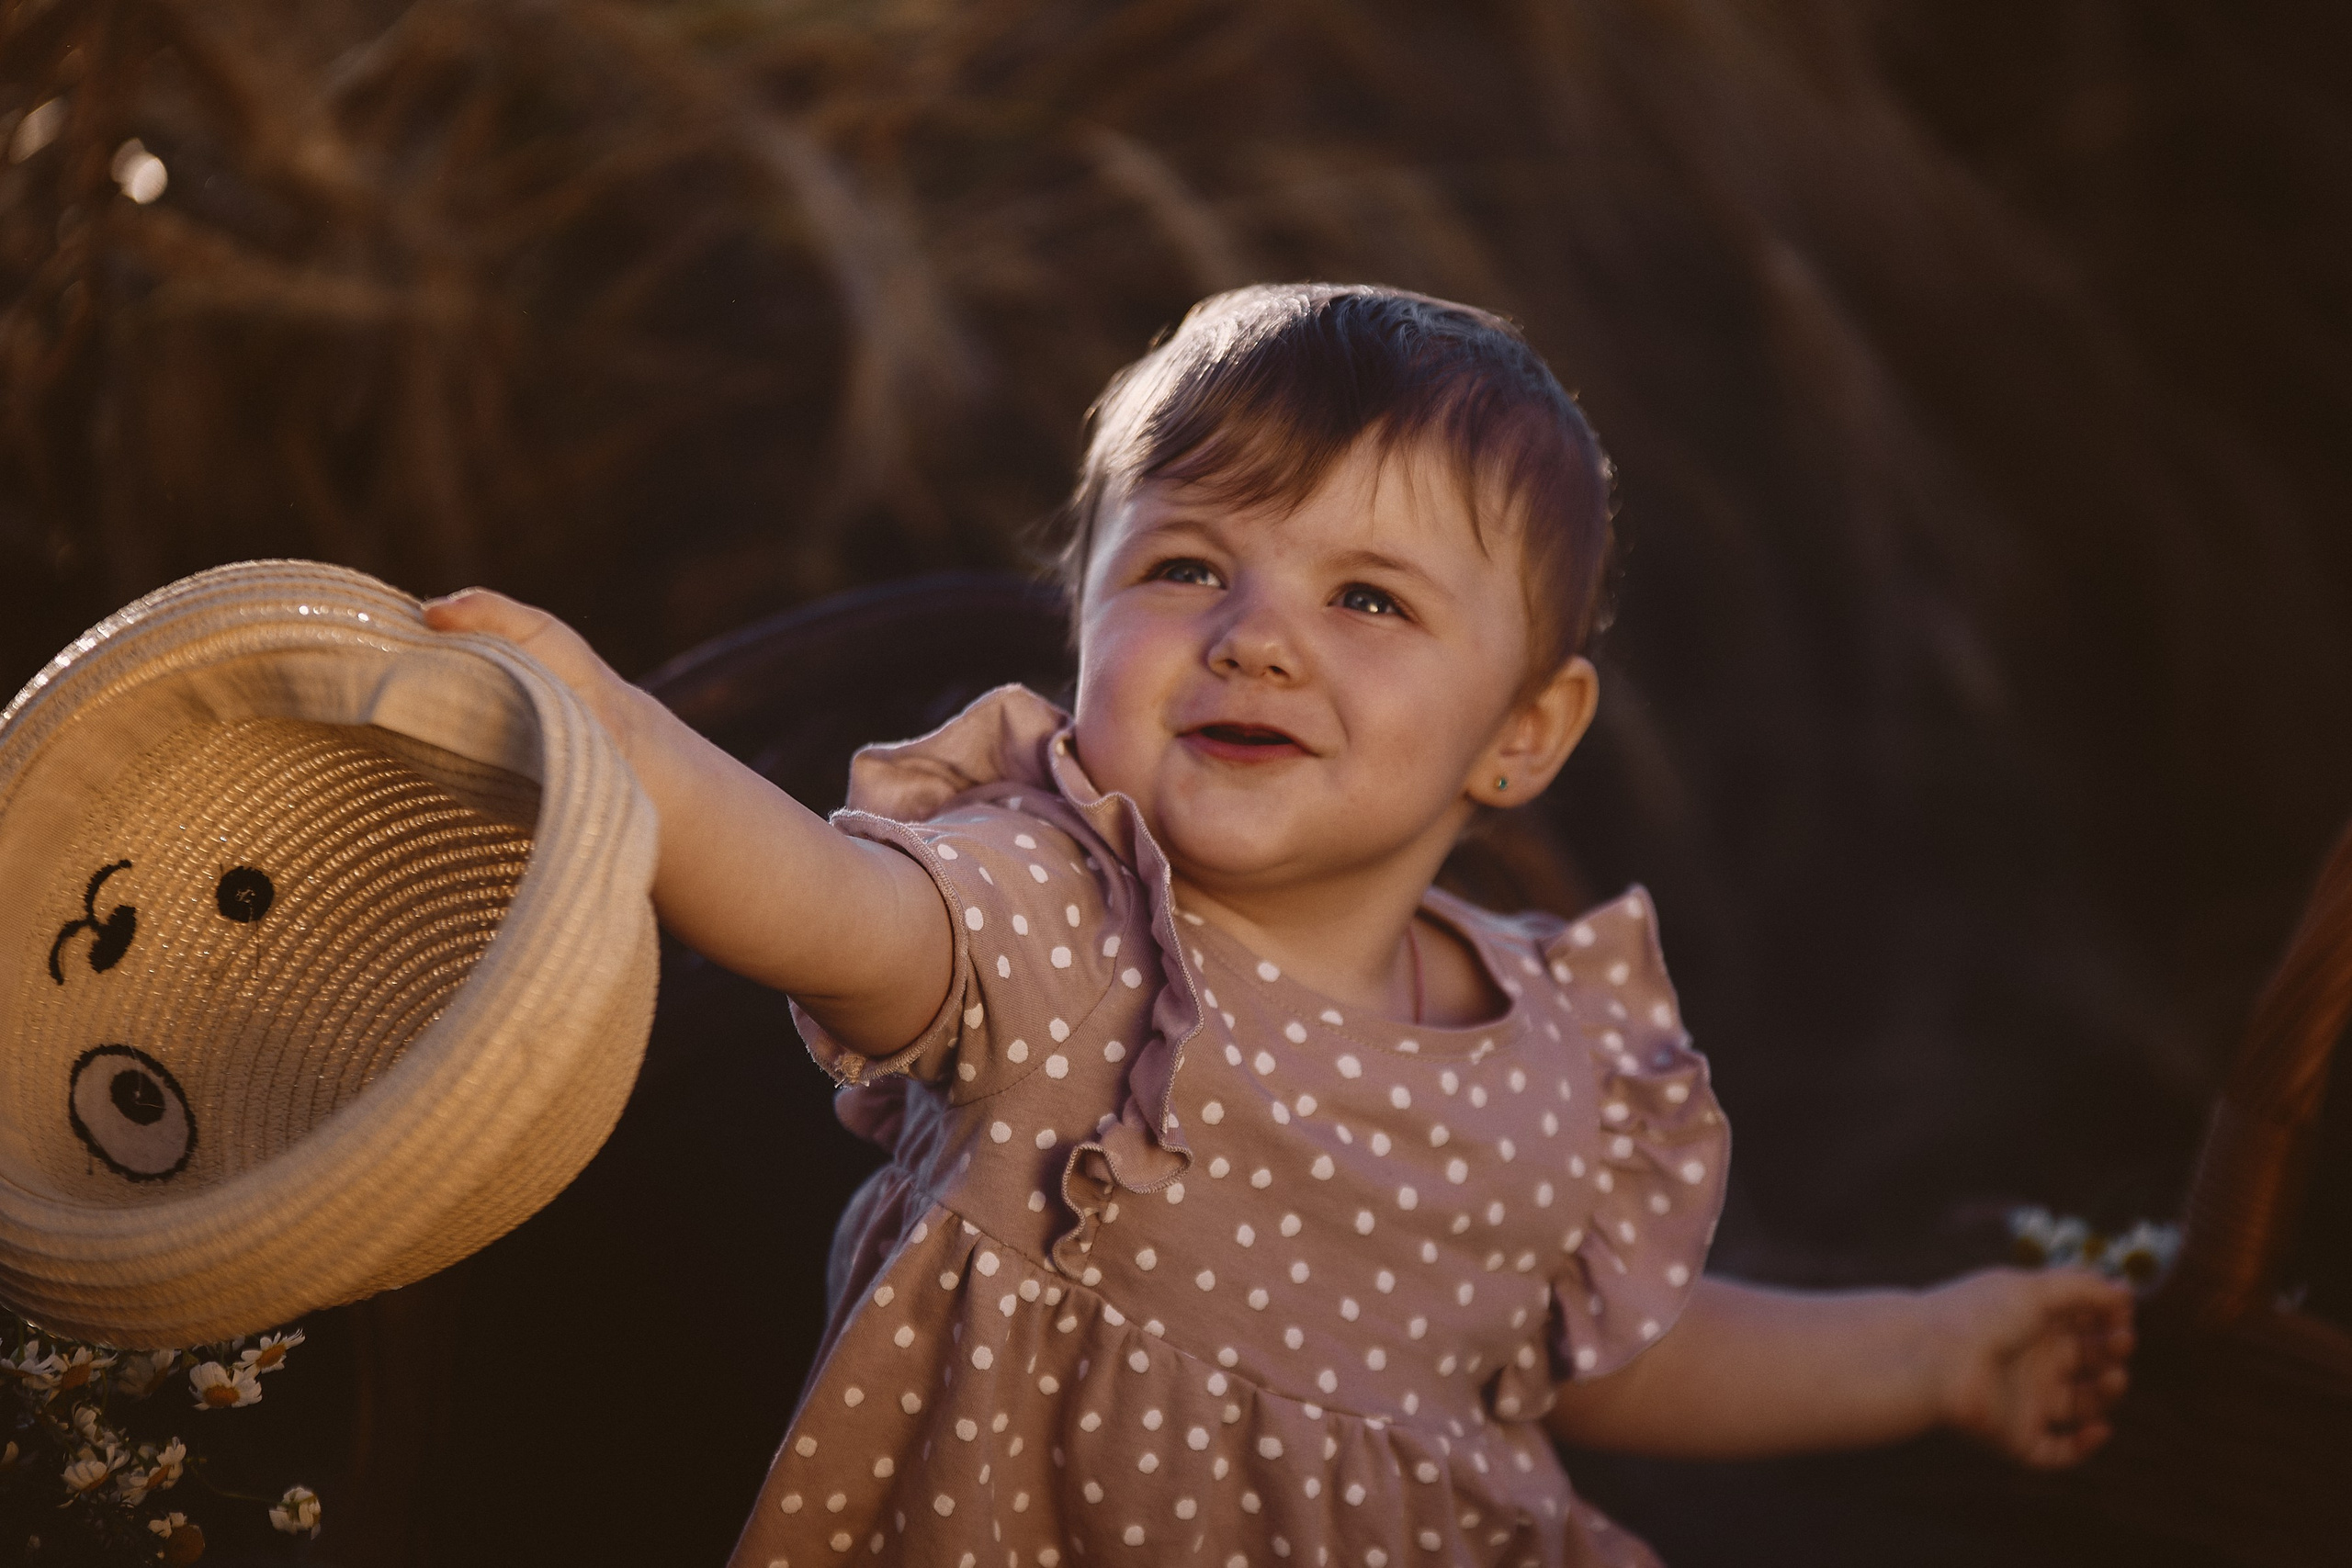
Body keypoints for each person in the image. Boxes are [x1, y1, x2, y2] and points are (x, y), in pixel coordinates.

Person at [424, 284, 2135, 1567]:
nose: (1254, 636)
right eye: (1183, 570)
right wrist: (618, 744)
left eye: (1368, 598)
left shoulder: (1558, 1046)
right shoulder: (1065, 925)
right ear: (1081, 624)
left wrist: (1927, 1350)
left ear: (1523, 734)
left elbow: (1597, 1359)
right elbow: (826, 904)